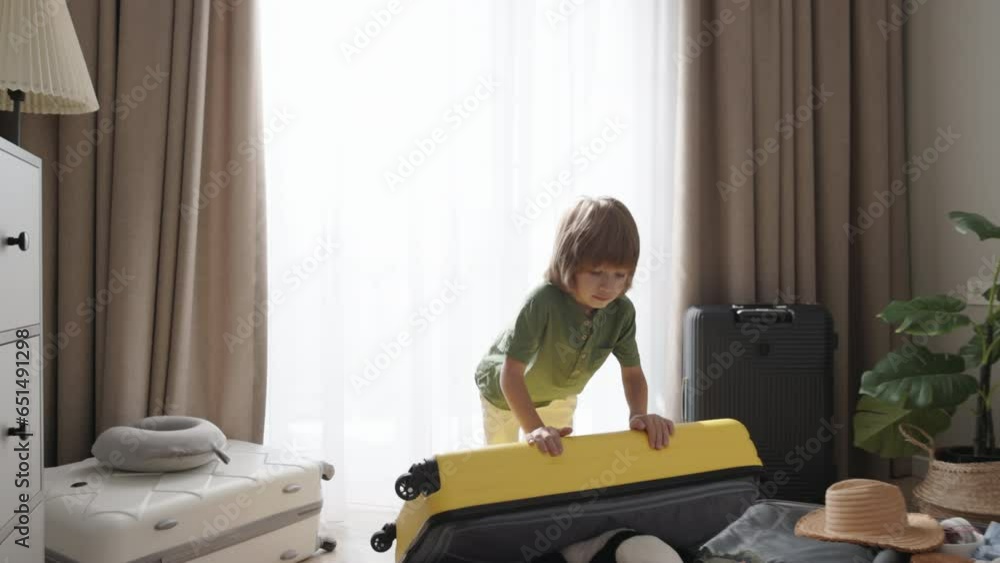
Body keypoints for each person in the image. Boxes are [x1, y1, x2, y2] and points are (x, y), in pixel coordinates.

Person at [475, 196, 674, 456]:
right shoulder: (543, 301)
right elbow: (510, 375)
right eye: (595, 272)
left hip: (559, 395)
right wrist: (535, 428)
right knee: (503, 465)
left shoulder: (621, 312)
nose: (608, 287)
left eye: (619, 275)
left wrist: (638, 414)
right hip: (504, 394)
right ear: (569, 263)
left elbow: (633, 373)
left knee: (554, 464)